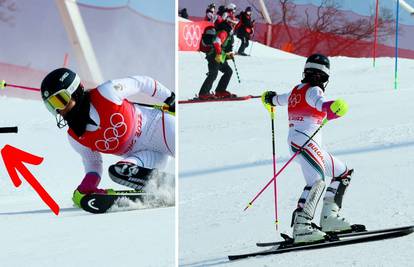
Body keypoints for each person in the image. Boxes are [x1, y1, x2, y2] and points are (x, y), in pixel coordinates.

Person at [261, 54, 363, 244]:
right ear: (325, 77)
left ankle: (329, 219)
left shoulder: (296, 90)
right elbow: (321, 104)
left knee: (342, 172)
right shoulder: (315, 90)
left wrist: (269, 98)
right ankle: (302, 227)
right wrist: (332, 107)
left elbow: (276, 100)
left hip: (303, 144)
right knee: (316, 181)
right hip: (305, 143)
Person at [40, 68, 175, 207]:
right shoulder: (75, 137)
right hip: (144, 156)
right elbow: (93, 162)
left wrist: (170, 99)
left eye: (59, 100)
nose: (59, 110)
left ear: (75, 91)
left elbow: (142, 83)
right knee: (119, 171)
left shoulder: (107, 92)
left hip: (159, 128)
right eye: (52, 106)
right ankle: (167, 188)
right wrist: (88, 183)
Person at [198, 3, 238, 100]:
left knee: (228, 71)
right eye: (233, 23)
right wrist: (220, 54)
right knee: (213, 73)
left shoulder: (227, 32)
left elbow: (223, 47)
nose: (234, 26)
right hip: (213, 55)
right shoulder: (224, 31)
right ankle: (203, 93)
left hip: (218, 56)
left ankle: (220, 91)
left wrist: (228, 55)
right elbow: (216, 42)